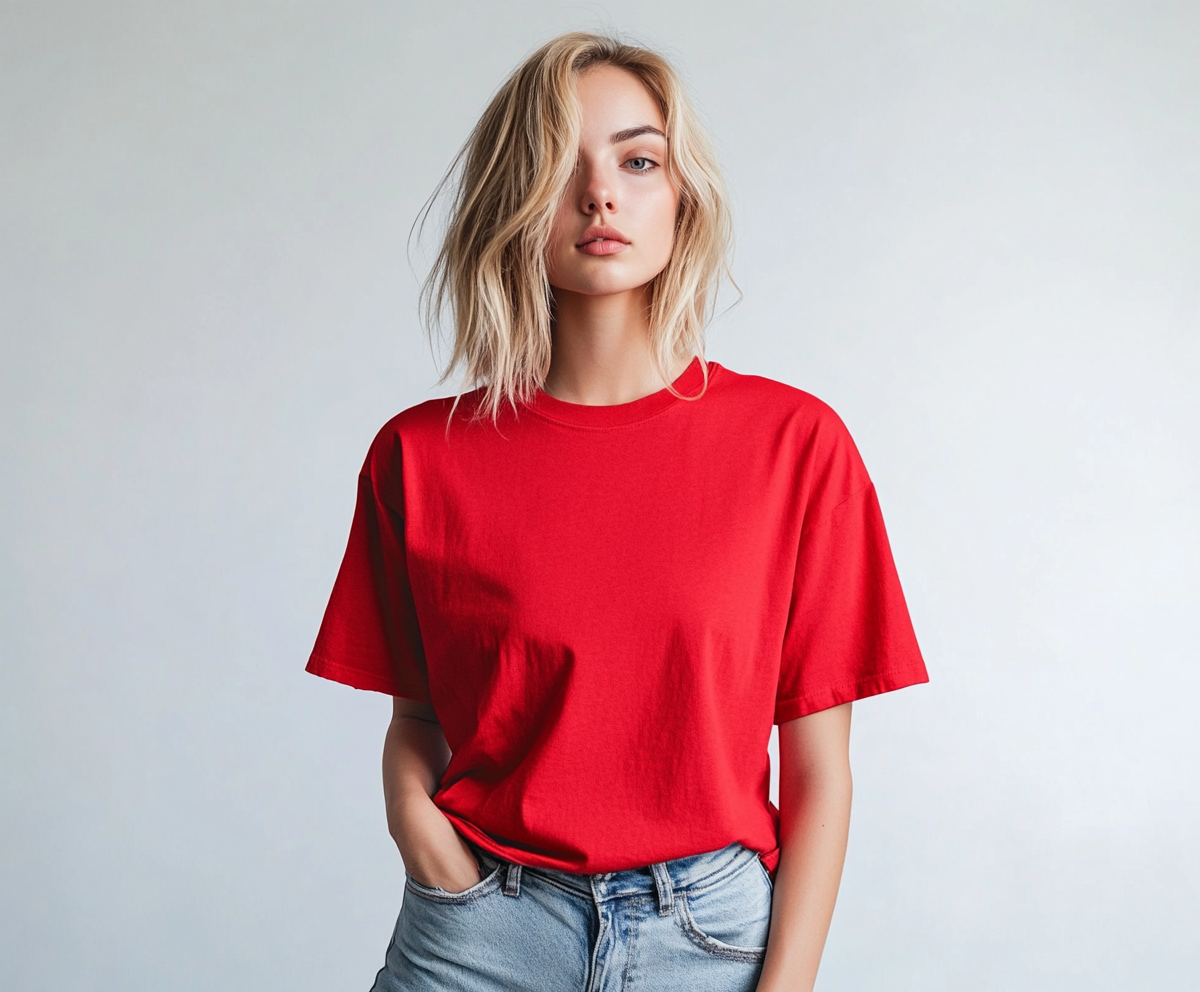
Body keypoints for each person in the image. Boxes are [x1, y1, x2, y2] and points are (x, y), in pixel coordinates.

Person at [307, 30, 928, 992]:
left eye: (638, 161)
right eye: (562, 166)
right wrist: (420, 835)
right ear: (513, 201)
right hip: (479, 937)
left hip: (711, 941)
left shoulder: (794, 445)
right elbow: (417, 720)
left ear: (681, 196)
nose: (600, 194)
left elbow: (819, 770)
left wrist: (787, 985)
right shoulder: (420, 455)